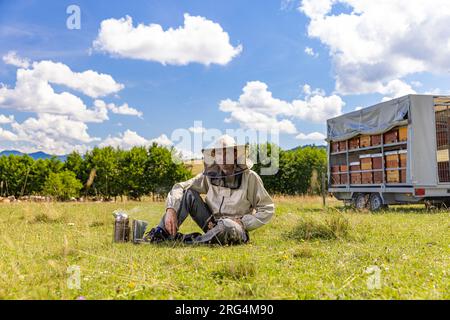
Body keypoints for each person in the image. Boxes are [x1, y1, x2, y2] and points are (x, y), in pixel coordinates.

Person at [144, 135, 275, 245]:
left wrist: (243, 221)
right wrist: (171, 209)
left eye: (227, 152)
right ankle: (160, 234)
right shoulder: (209, 176)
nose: (222, 157)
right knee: (188, 193)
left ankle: (187, 240)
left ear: (235, 154)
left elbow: (267, 208)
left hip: (234, 228)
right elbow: (180, 187)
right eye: (218, 153)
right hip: (211, 224)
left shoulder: (250, 177)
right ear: (214, 156)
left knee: (226, 225)